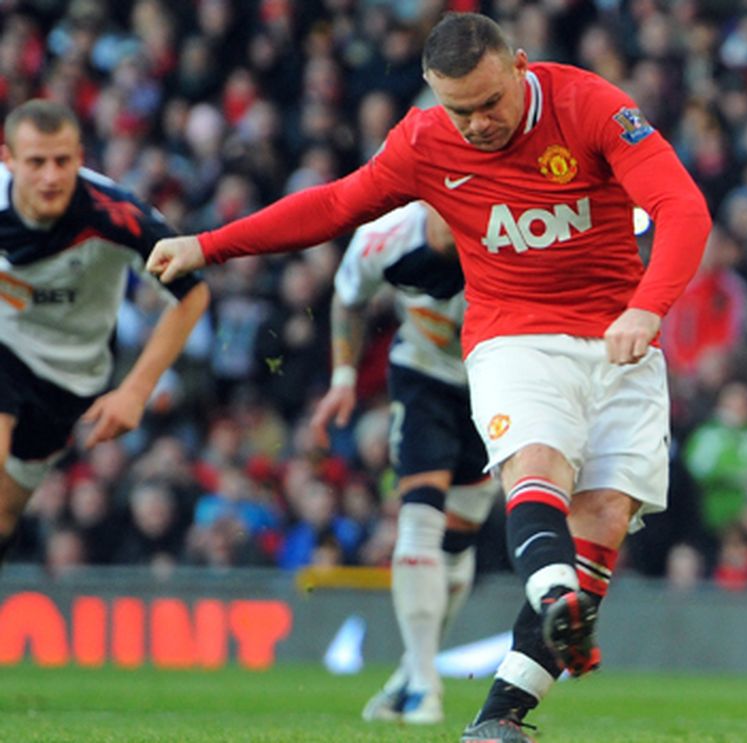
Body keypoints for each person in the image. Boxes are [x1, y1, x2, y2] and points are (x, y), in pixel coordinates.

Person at [145, 13, 711, 741]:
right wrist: (209, 245)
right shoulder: (422, 142)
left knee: (600, 521)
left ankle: (501, 713)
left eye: (489, 104)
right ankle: (552, 590)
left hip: (619, 339)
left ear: (522, 68)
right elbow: (333, 205)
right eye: (458, 108)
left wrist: (647, 307)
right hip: (514, 337)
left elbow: (682, 206)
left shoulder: (590, 105)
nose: (475, 123)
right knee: (536, 468)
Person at [307, 201, 499, 724]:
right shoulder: (385, 237)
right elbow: (348, 298)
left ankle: (411, 675)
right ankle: (425, 689)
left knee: (459, 540)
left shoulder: (509, 231)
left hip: (495, 383)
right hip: (422, 377)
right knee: (418, 518)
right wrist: (344, 378)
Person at [0, 99, 210, 567]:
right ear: (8, 160)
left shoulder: (117, 216)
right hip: (4, 344)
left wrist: (134, 391)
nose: (51, 176)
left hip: (71, 374)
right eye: (36, 162)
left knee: (5, 514)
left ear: (79, 156)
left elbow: (192, 295)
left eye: (62, 160)